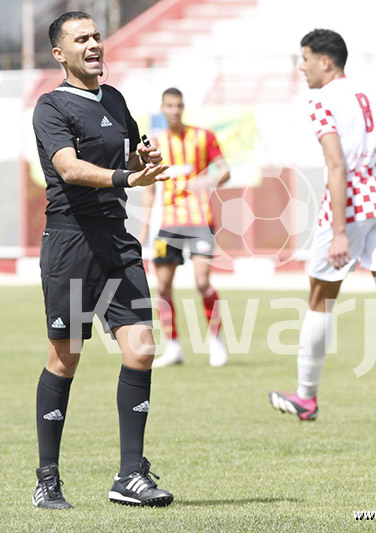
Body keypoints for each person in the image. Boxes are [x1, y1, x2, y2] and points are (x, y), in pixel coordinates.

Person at [32, 11, 174, 509]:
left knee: (141, 350)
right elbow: (68, 169)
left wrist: (143, 161)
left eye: (96, 36)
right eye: (82, 38)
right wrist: (125, 180)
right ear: (60, 53)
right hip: (72, 244)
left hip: (116, 241)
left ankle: (130, 475)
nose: (94, 44)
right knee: (65, 358)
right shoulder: (50, 107)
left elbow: (131, 155)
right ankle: (47, 479)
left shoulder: (113, 98)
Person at [269, 29, 376, 424]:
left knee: (320, 297)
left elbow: (336, 166)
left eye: (304, 58)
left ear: (325, 61)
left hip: (348, 208)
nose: (300, 66)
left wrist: (340, 230)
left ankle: (306, 397)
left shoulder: (321, 100)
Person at [139, 88, 230, 368]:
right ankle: (174, 346)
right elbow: (149, 189)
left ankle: (216, 342)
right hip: (168, 223)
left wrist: (207, 181)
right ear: (162, 108)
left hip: (200, 219)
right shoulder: (155, 143)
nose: (175, 110)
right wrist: (143, 230)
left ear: (183, 107)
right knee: (163, 286)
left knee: (202, 281)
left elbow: (224, 170)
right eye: (170, 105)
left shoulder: (203, 137)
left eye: (179, 105)